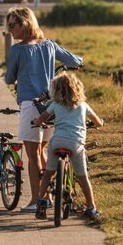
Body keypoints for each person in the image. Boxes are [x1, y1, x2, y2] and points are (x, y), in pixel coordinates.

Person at [4, 5, 83, 212]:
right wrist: (68, 66)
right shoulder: (49, 45)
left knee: (32, 156)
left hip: (30, 104)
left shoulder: (17, 50)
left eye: (13, 25)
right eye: (8, 25)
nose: (10, 29)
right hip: (50, 105)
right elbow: (76, 60)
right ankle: (49, 194)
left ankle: (37, 201)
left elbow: (9, 78)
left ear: (25, 24)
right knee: (43, 151)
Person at [33, 71, 104, 221]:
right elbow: (97, 122)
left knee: (48, 173)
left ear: (56, 89)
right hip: (76, 144)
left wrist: (37, 122)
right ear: (77, 88)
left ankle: (41, 201)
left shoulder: (55, 104)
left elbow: (42, 119)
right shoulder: (83, 105)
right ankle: (91, 207)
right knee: (83, 177)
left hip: (57, 141)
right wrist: (99, 123)